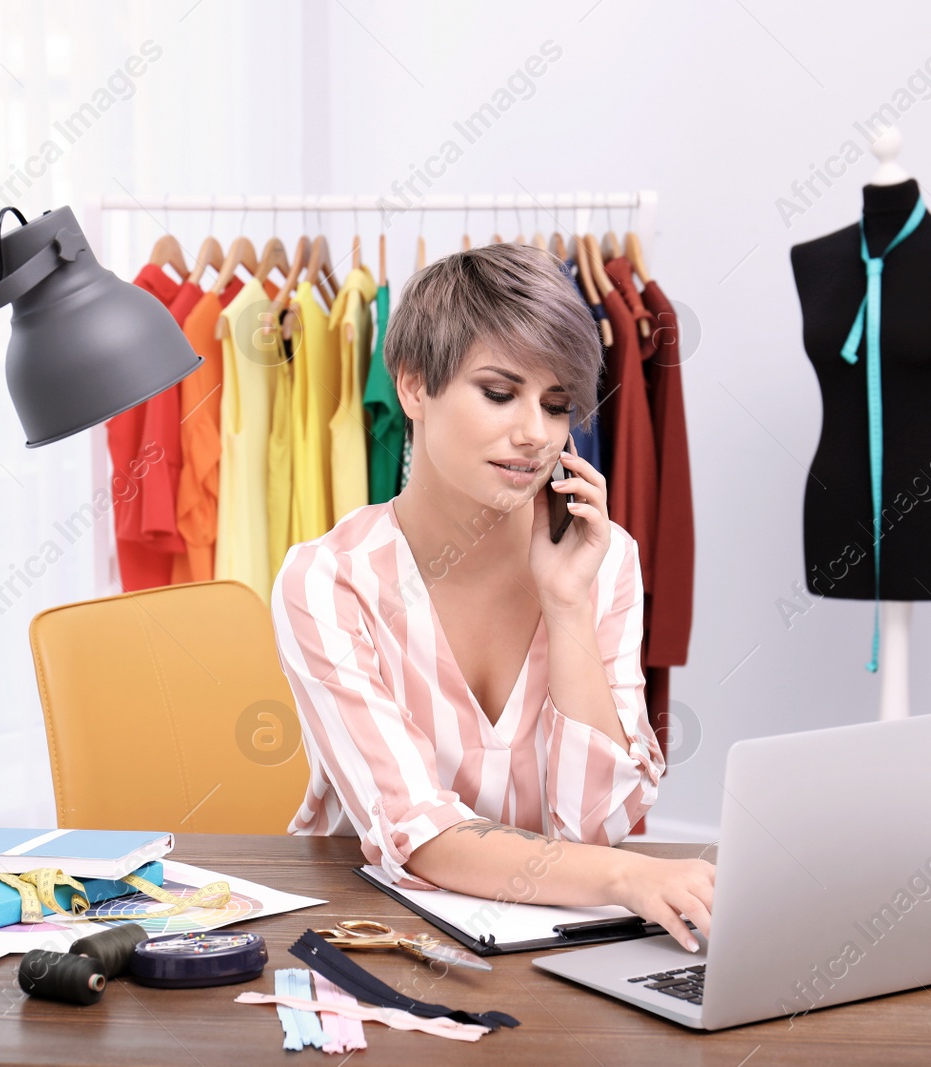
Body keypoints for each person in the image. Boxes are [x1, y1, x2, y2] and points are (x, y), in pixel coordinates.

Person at [270, 242, 713, 951]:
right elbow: (420, 835)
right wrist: (623, 879)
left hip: (554, 941)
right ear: (413, 386)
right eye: (500, 393)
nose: (534, 433)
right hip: (366, 939)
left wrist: (566, 604)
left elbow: (596, 827)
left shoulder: (604, 560)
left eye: (557, 403)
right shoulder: (329, 582)